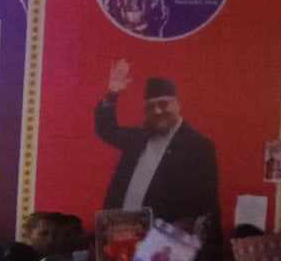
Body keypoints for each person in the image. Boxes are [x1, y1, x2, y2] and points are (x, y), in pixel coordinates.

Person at [95, 60, 221, 238]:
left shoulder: (199, 146)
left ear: (178, 104)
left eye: (163, 104)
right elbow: (106, 130)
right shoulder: (139, 137)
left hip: (162, 242)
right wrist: (112, 93)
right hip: (119, 233)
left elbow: (204, 204)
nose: (157, 111)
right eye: (151, 106)